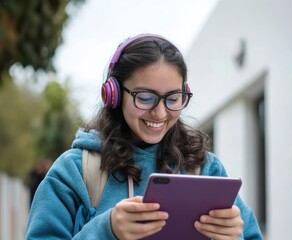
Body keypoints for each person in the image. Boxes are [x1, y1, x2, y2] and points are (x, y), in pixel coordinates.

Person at [26, 33, 263, 239]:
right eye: (145, 97)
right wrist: (106, 231)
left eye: (172, 98)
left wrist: (234, 236)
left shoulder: (205, 169)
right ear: (114, 94)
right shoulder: (74, 172)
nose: (160, 113)